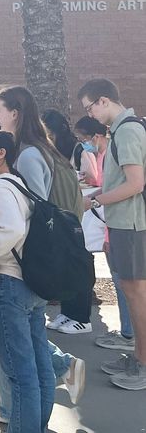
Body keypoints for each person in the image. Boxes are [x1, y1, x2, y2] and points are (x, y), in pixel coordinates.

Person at [0, 85, 85, 418]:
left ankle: (19, 404)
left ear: (15, 112)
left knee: (22, 362)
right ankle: (19, 405)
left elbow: (32, 215)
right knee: (25, 348)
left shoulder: (27, 154)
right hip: (29, 268)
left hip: (18, 269)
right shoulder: (41, 148)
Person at [0, 129, 56, 433]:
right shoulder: (17, 184)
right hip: (31, 284)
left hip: (8, 284)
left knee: (20, 374)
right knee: (40, 368)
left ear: (0, 152)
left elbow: (11, 230)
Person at [78, 79, 146, 391]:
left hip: (131, 224)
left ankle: (142, 363)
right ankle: (138, 357)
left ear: (103, 101)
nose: (90, 115)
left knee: (136, 294)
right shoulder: (122, 129)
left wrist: (96, 199)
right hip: (124, 223)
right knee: (133, 294)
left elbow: (135, 183)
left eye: (90, 107)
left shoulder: (127, 130)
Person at [74, 116, 137, 354]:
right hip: (115, 227)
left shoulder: (112, 154)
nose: (84, 144)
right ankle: (129, 331)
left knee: (124, 283)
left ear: (97, 136)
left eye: (84, 139)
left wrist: (95, 199)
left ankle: (129, 333)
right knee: (123, 282)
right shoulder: (109, 153)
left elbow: (120, 190)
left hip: (119, 229)